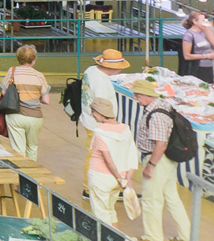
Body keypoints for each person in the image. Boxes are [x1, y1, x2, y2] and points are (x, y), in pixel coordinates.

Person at [132, 78, 192, 241]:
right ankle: (185, 236)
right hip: (167, 161)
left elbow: (161, 144)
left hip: (158, 160)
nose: (135, 99)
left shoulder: (156, 115)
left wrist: (151, 165)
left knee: (151, 200)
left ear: (147, 95)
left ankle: (152, 237)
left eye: (138, 95)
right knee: (172, 198)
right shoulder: (163, 105)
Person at [85, 97, 137, 227]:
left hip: (100, 178)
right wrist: (126, 179)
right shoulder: (125, 129)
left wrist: (118, 177)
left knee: (101, 214)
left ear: (99, 112)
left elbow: (108, 160)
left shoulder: (100, 132)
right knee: (110, 210)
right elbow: (132, 155)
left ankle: (105, 235)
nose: (92, 114)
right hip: (119, 179)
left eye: (93, 111)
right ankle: (116, 234)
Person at [0, 44, 50, 159]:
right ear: (34, 60)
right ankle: (31, 169)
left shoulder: (12, 71)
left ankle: (21, 169)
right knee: (32, 147)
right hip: (35, 117)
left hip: (15, 115)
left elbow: (3, 92)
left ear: (18, 58)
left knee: (18, 150)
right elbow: (46, 100)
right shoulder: (39, 76)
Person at [81, 49, 133, 134]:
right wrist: (111, 124)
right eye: (120, 67)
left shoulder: (91, 69)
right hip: (98, 126)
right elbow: (102, 108)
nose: (122, 69)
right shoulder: (102, 82)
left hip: (87, 118)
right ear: (113, 68)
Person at [180, 10, 214, 81]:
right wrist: (206, 56)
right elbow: (187, 56)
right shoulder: (189, 35)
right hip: (197, 68)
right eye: (202, 20)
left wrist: (206, 28)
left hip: (208, 66)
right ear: (194, 21)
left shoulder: (204, 32)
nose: (204, 22)